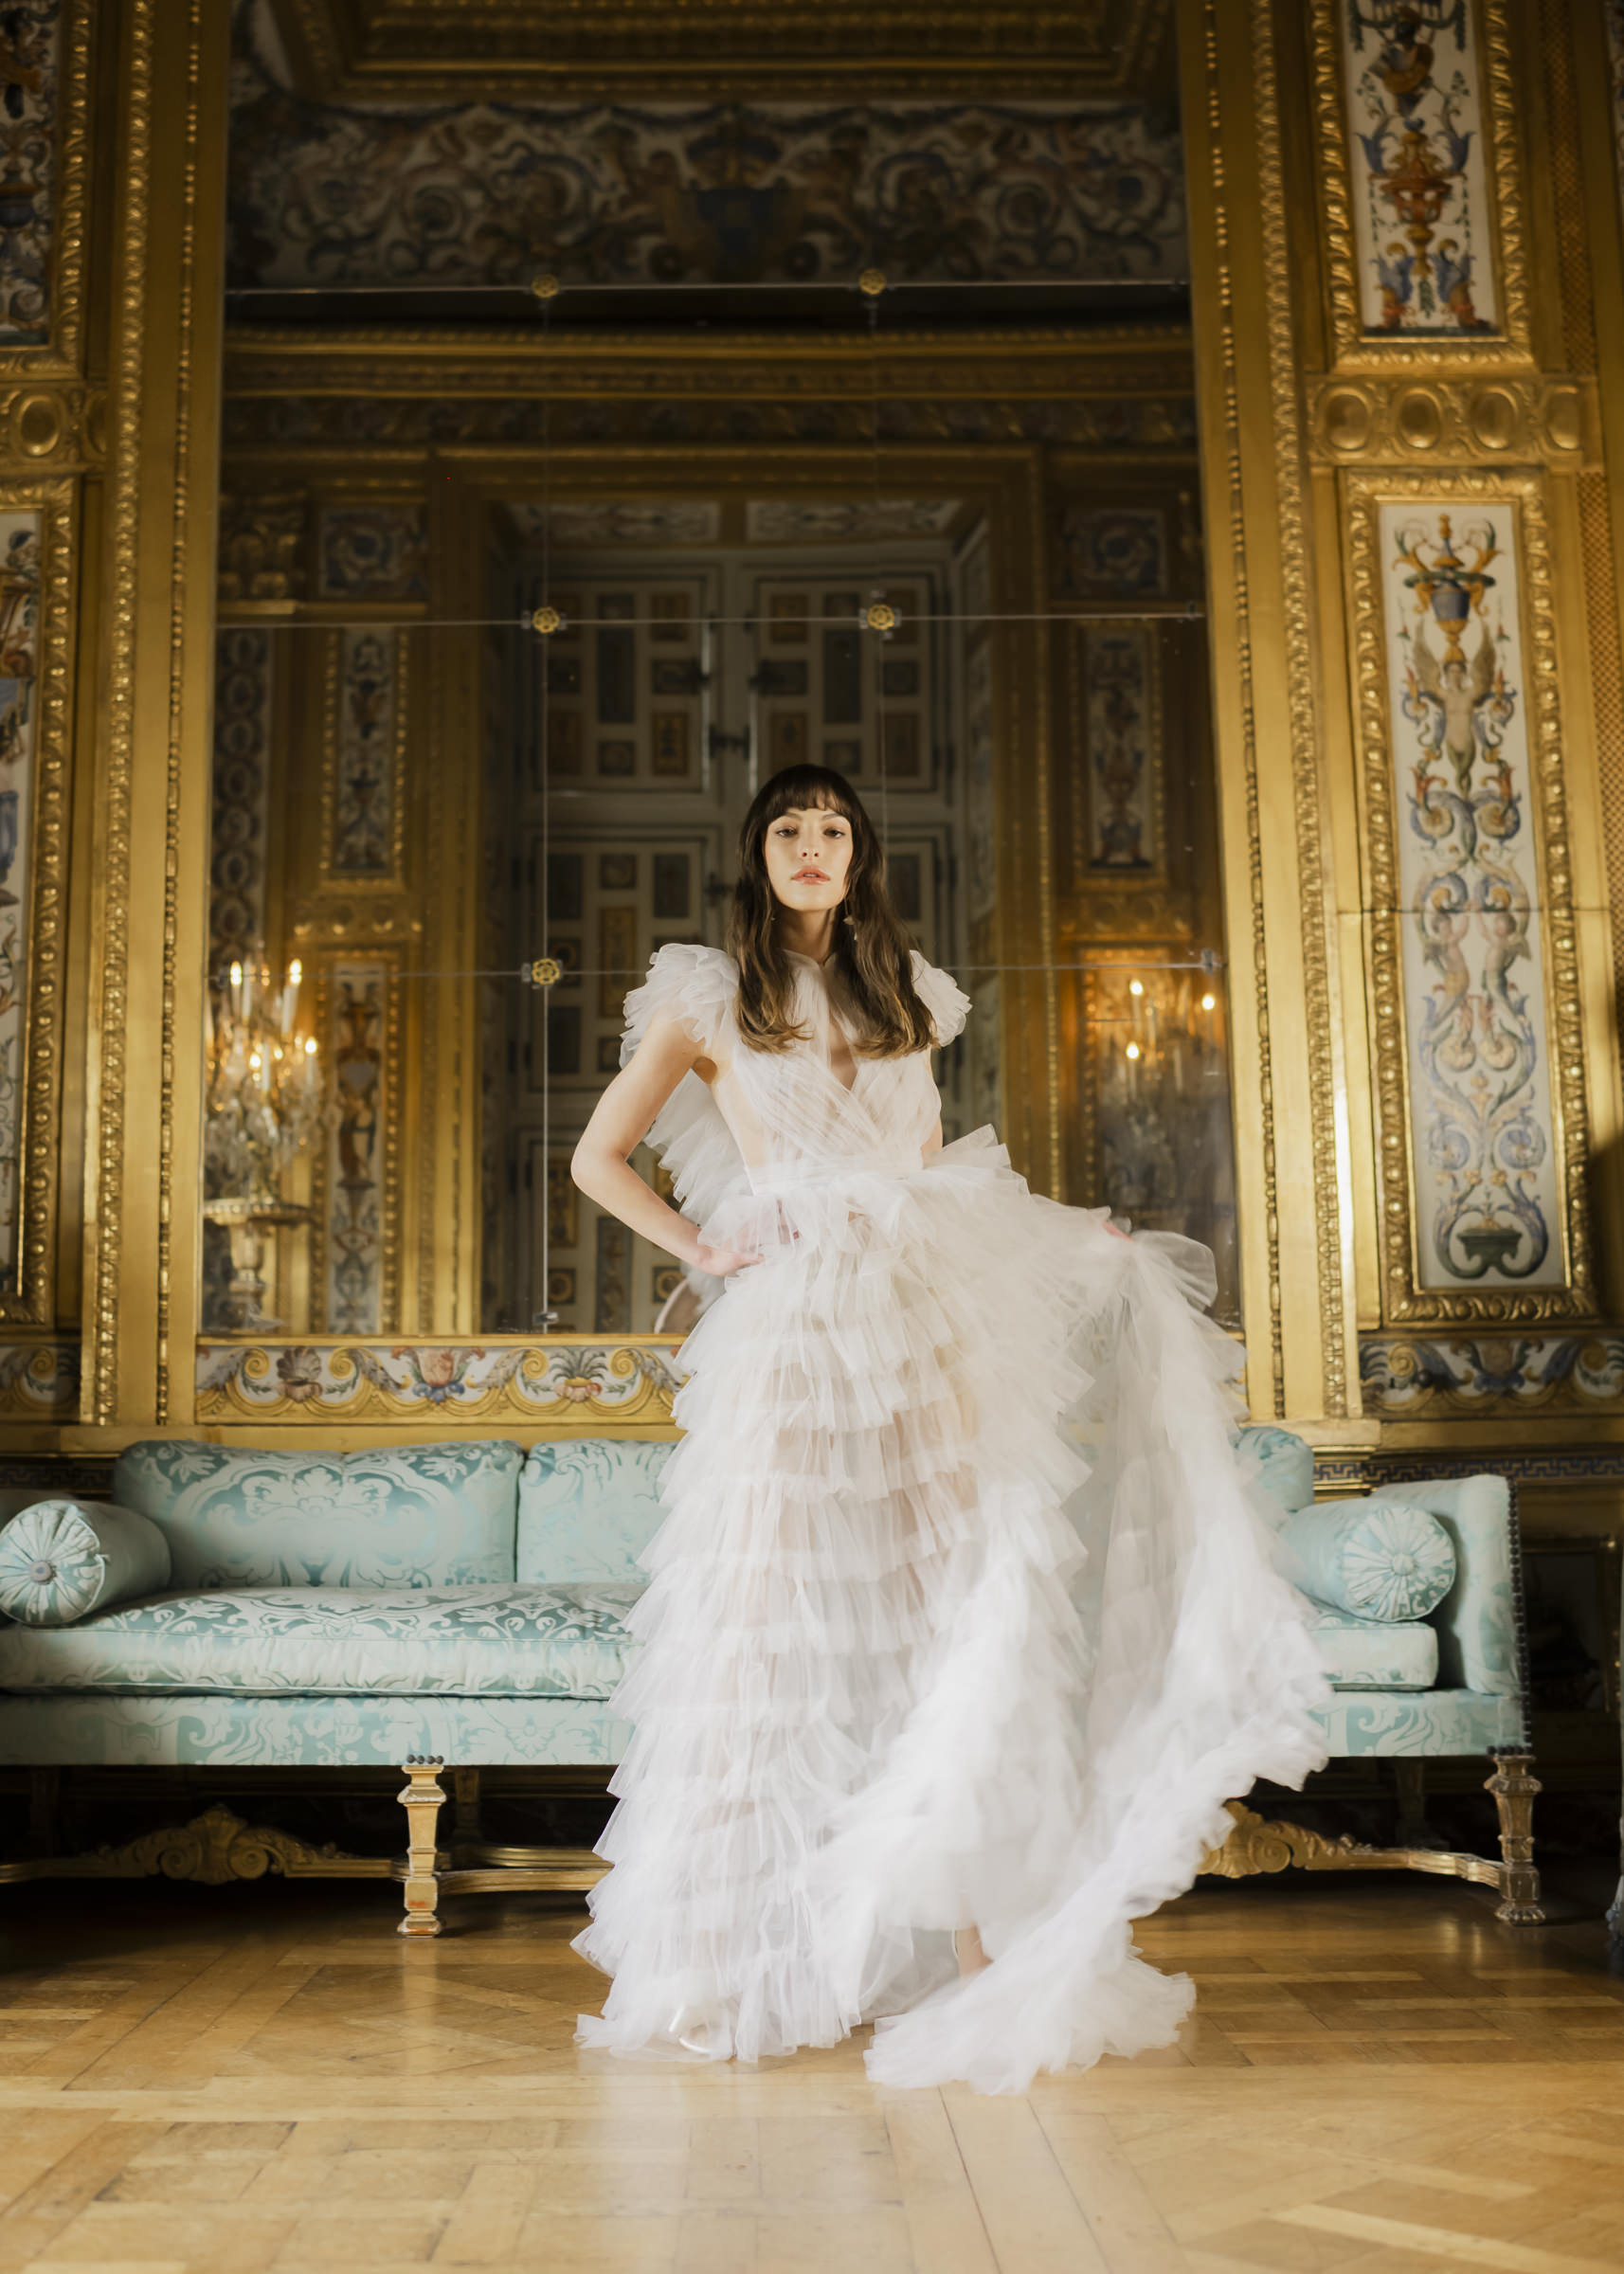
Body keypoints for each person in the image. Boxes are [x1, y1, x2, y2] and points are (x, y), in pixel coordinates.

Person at [568, 763, 1328, 2094]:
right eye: (790, 832)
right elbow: (595, 1158)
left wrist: (1068, 1240)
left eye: (835, 832)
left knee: (947, 1608)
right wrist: (705, 1247)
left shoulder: (910, 996)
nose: (813, 849)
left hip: (921, 1321)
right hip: (794, 1330)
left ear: (863, 857)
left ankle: (977, 1948)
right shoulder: (708, 994)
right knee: (772, 1625)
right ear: (759, 856)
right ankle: (728, 1965)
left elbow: (929, 1181)